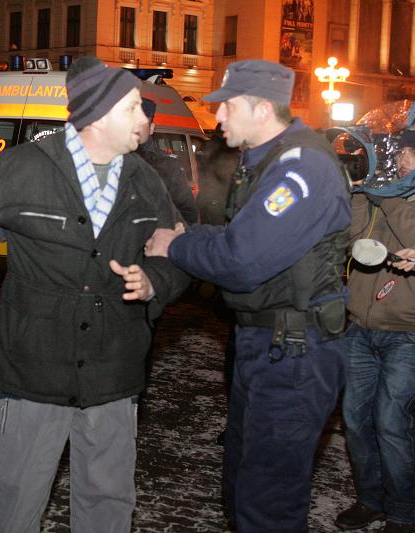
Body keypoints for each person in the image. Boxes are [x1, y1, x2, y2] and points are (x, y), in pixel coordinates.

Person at [0, 56, 191, 532]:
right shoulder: (22, 168)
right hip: (32, 367)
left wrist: (156, 281)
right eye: (133, 107)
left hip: (113, 367)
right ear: (97, 115)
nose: (144, 117)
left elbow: (175, 248)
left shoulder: (146, 181)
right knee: (13, 500)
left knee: (108, 502)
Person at [144, 59, 350, 532]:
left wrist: (176, 245)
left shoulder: (302, 168)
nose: (217, 117)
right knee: (242, 486)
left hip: (294, 352)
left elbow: (242, 261)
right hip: (268, 344)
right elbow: (241, 239)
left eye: (228, 107)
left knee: (266, 502)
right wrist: (194, 237)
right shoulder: (266, 162)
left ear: (261, 110)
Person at [334, 128, 415, 533]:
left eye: (413, 154)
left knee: (391, 419)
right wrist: (359, 193)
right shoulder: (377, 193)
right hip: (360, 324)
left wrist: (388, 197)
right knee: (355, 419)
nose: (402, 161)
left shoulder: (414, 199)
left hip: (411, 330)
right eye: (398, 152)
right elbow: (351, 240)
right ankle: (370, 500)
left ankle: (404, 512)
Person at [137, 97, 199, 224]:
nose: (135, 128)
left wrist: (165, 231)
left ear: (151, 128)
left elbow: (187, 213)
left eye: (140, 123)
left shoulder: (168, 165)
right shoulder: (113, 158)